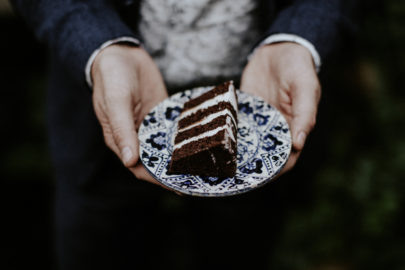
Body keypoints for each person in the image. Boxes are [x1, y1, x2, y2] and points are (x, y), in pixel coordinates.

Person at [11, 0, 351, 269]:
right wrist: (98, 45)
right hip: (104, 122)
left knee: (239, 251)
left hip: (258, 129)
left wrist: (299, 38)